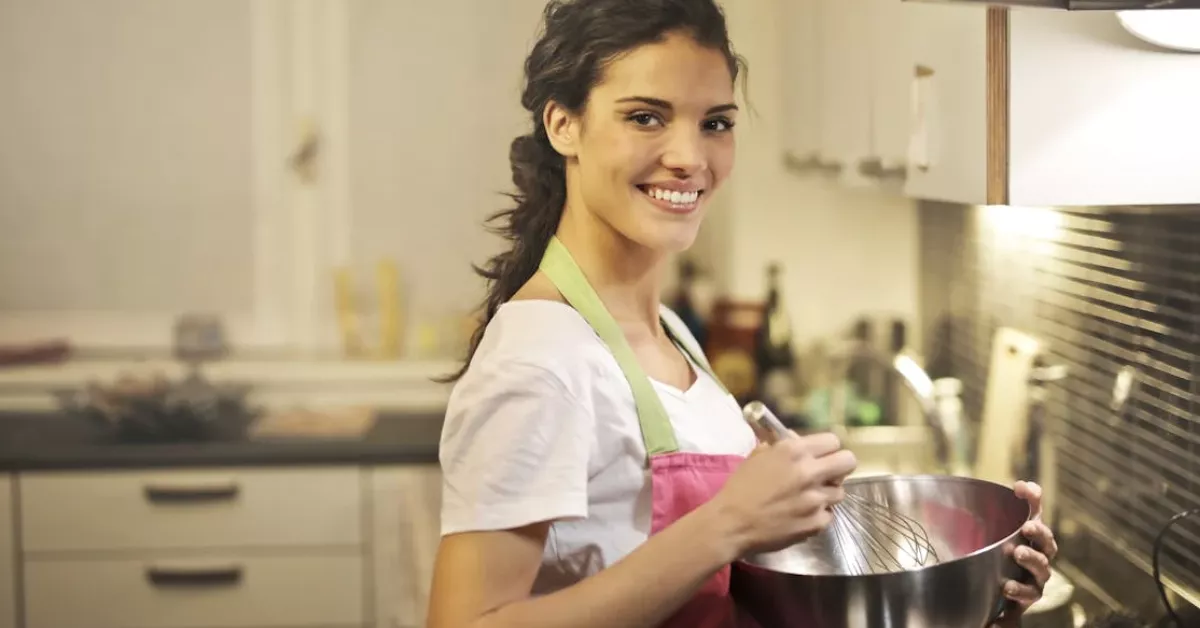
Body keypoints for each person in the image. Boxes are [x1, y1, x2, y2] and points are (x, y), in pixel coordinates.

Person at [426, 1, 1058, 626]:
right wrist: (727, 523)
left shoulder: (668, 333)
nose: (690, 157)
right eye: (646, 117)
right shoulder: (541, 358)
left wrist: (975, 586)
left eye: (716, 123)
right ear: (564, 125)